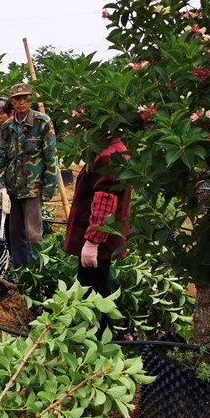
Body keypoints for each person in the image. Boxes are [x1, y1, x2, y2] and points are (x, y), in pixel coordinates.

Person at [63, 136, 132, 337]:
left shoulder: (108, 156)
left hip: (99, 241)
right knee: (92, 287)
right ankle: (92, 336)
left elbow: (105, 203)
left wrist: (93, 241)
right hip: (99, 238)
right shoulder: (110, 149)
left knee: (96, 292)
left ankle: (102, 342)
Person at [0, 83, 58, 268]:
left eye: (25, 98)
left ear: (31, 99)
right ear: (11, 101)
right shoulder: (7, 127)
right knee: (15, 233)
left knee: (34, 234)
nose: (21, 103)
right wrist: (1, 185)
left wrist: (48, 188)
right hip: (13, 189)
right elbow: (2, 156)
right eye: (17, 99)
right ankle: (21, 273)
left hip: (33, 188)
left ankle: (37, 273)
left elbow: (50, 157)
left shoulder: (42, 122)